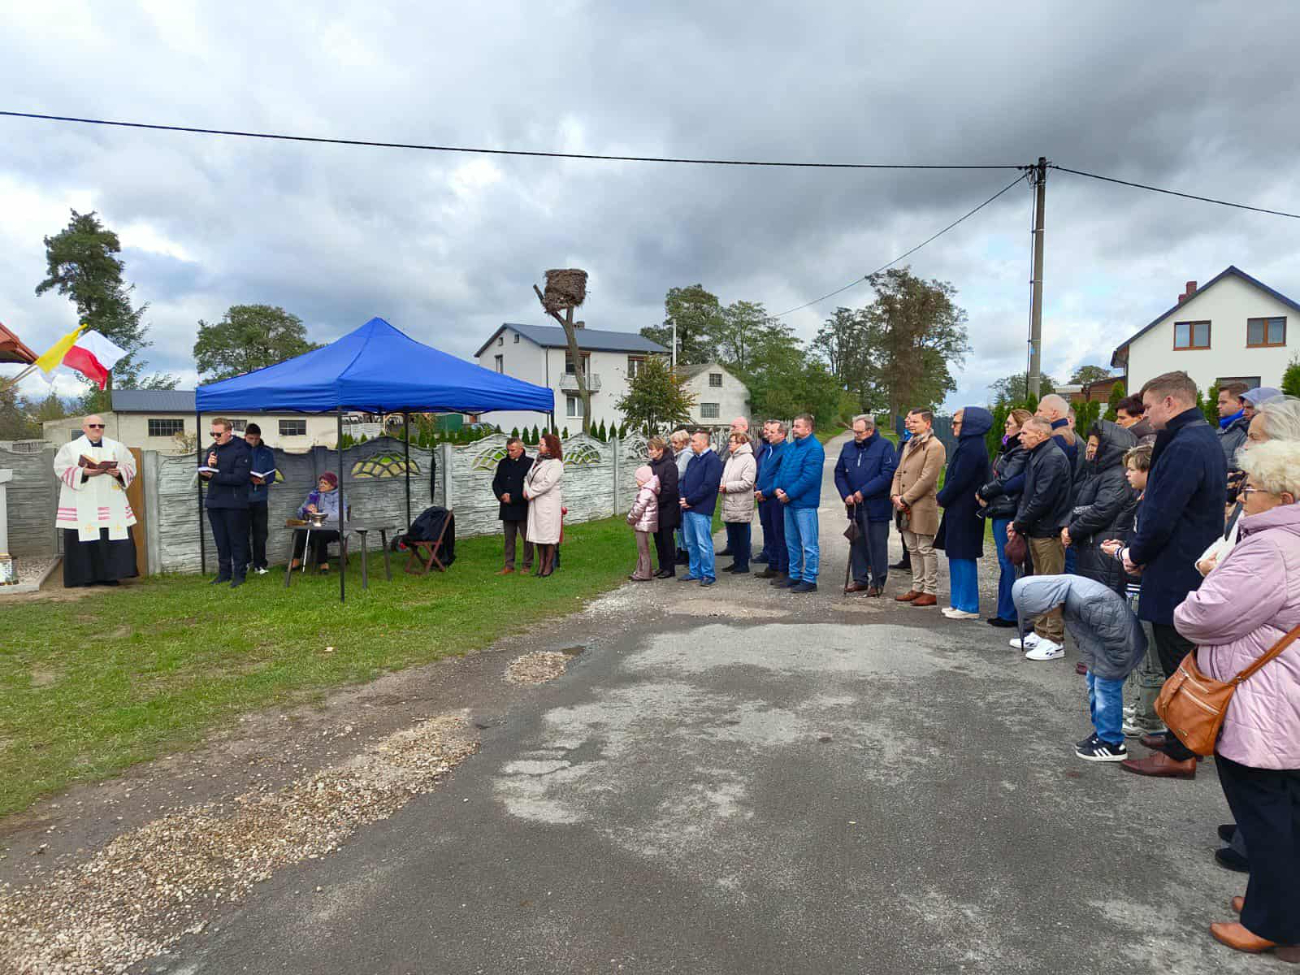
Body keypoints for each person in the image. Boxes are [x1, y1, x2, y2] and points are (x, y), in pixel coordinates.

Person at [1171, 439, 1300, 961]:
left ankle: (1275, 924)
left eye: (1254, 488)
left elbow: (1202, 616)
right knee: (1287, 809)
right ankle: (1281, 903)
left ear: (1286, 496)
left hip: (1263, 703)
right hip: (1286, 696)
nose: (1244, 496)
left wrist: (1196, 595)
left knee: (1265, 813)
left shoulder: (1272, 549)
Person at [1110, 371, 1226, 779]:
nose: (1146, 415)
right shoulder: (1198, 436)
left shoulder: (1186, 444)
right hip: (1183, 563)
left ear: (1171, 403)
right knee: (1182, 660)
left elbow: (1162, 511)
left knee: (1180, 663)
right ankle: (1182, 737)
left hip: (1176, 568)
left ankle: (1181, 752)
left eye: (1149, 406)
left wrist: (1135, 554)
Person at [1013, 572, 1148, 762]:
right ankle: (1102, 732)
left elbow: (1117, 635)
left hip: (1119, 650)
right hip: (1103, 650)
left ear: (1048, 602)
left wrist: (1110, 665)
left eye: (1041, 612)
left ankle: (1112, 743)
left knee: (1105, 690)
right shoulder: (1066, 595)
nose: (1042, 618)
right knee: (1094, 685)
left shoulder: (1087, 600)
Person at [1099, 446, 1167, 740]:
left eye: (1132, 469)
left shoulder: (1154, 503)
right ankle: (1142, 705)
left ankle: (1149, 719)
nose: (1127, 474)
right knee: (1142, 655)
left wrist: (1122, 553)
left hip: (1145, 587)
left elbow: (1146, 545)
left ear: (1148, 471)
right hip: (1137, 586)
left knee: (1151, 660)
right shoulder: (1144, 500)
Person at [1007, 417, 1073, 659]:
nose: (1020, 437)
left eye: (1025, 433)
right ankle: (1040, 630)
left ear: (1041, 435)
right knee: (1038, 583)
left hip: (1049, 530)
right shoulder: (1038, 454)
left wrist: (1020, 522)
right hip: (1035, 529)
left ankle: (1054, 640)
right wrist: (1021, 522)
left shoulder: (1053, 458)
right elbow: (1029, 494)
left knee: (1051, 585)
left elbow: (1043, 498)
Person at [53, 414, 139, 587]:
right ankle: (84, 578)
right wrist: (83, 473)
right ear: (84, 428)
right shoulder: (70, 448)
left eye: (101, 425)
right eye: (92, 425)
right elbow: (60, 468)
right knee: (83, 541)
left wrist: (119, 472)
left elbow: (131, 465)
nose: (97, 428)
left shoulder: (117, 446)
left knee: (111, 538)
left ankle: (111, 576)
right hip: (81, 500)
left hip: (110, 501)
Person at [1064, 420, 1137, 594]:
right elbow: (1085, 506)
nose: (1089, 449)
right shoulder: (1099, 472)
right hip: (1092, 547)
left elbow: (1101, 510)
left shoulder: (1117, 475)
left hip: (1104, 549)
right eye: (1089, 444)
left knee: (1101, 603)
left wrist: (1071, 530)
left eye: (1094, 445)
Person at [933, 407, 993, 618]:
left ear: (970, 424)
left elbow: (960, 478)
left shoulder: (972, 447)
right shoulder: (968, 445)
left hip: (966, 508)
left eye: (956, 422)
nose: (952, 426)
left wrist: (942, 496)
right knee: (955, 553)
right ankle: (958, 601)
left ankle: (968, 605)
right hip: (958, 508)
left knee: (964, 553)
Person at [977, 409, 1032, 627]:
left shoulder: (1020, 452)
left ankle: (1009, 613)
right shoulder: (1009, 447)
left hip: (1007, 508)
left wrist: (983, 492)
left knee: (1009, 562)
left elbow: (1006, 480)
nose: (1005, 427)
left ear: (1021, 427)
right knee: (1004, 562)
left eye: (1010, 424)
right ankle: (1005, 610)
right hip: (1000, 506)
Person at [834, 414, 896, 596]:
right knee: (857, 543)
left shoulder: (885, 446)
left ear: (870, 430)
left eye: (859, 432)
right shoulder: (847, 447)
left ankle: (877, 582)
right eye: (854, 431)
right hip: (855, 506)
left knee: (877, 544)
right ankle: (859, 579)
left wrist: (864, 492)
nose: (856, 435)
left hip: (876, 506)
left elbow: (887, 474)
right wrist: (846, 494)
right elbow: (839, 473)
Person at [890, 409, 946, 608]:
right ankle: (917, 587)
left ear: (928, 423)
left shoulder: (935, 446)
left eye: (914, 421)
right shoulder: (909, 444)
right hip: (903, 505)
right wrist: (895, 495)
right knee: (912, 548)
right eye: (908, 421)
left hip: (921, 506)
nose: (909, 424)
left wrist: (905, 498)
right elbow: (898, 472)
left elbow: (928, 479)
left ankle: (930, 591)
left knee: (925, 548)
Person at [771, 413, 825, 593]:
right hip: (787, 501)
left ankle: (810, 578)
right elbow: (781, 470)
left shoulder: (815, 448)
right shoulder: (791, 447)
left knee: (809, 543)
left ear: (808, 429)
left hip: (804, 504)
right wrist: (777, 487)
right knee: (791, 541)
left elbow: (809, 478)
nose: (793, 429)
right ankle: (794, 575)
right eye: (794, 426)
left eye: (797, 426)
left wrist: (790, 494)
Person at [200, 417, 252, 588]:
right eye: (212, 433)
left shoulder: (241, 449)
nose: (215, 437)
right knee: (220, 540)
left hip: (234, 502)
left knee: (236, 540)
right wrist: (208, 467)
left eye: (218, 434)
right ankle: (224, 573)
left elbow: (240, 477)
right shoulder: (212, 449)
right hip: (215, 501)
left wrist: (215, 473)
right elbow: (203, 473)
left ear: (229, 432)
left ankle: (239, 574)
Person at [679, 429, 723, 586]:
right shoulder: (693, 460)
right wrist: (684, 498)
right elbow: (684, 480)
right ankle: (695, 571)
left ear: (704, 442)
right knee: (691, 542)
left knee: (703, 542)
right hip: (688, 507)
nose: (692, 444)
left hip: (701, 508)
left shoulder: (712, 460)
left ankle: (708, 574)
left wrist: (690, 500)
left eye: (694, 442)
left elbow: (709, 485)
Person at [523, 434, 563, 577]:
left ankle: (548, 566)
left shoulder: (556, 464)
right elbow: (528, 477)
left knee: (549, 535)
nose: (539, 446)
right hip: (536, 503)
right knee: (538, 535)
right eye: (539, 444)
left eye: (542, 444)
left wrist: (530, 492)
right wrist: (525, 489)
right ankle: (540, 565)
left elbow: (547, 483)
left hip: (548, 504)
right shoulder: (537, 460)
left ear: (550, 447)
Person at [492, 437, 533, 575]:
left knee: (526, 537)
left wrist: (513, 498)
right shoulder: (503, 463)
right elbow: (496, 482)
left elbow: (530, 485)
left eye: (512, 450)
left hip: (522, 506)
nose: (509, 453)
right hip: (507, 507)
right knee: (509, 538)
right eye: (508, 450)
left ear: (521, 449)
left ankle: (527, 564)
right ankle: (509, 565)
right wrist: (502, 495)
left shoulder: (529, 463)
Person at [756, 420, 790, 584]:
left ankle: (783, 569)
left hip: (775, 498)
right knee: (768, 531)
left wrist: (766, 491)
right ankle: (773, 564)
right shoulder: (769, 449)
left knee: (779, 533)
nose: (768, 434)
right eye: (767, 431)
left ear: (782, 434)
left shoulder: (785, 451)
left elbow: (780, 476)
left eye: (772, 432)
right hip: (763, 498)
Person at [243, 423, 279, 576]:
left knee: (261, 533)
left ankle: (260, 564)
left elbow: (272, 474)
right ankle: (244, 562)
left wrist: (263, 481)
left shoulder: (267, 453)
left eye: (256, 439)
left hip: (260, 498)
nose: (253, 442)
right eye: (251, 438)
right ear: (245, 437)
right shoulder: (239, 451)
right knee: (242, 532)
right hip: (242, 498)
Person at [719, 431, 757, 574]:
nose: (730, 444)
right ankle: (736, 561)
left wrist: (727, 487)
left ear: (741, 443)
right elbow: (725, 476)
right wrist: (722, 484)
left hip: (740, 502)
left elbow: (748, 482)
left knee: (742, 534)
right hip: (729, 501)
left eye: (733, 442)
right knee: (733, 534)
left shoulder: (748, 459)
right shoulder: (731, 458)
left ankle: (743, 563)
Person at [291, 473, 342, 570]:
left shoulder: (338, 496)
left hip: (334, 527)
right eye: (321, 482)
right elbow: (299, 512)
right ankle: (295, 561)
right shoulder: (313, 494)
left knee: (319, 535)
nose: (321, 485)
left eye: (325, 483)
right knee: (299, 532)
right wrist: (306, 510)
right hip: (314, 526)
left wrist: (319, 513)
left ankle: (323, 563)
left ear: (332, 485)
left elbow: (338, 514)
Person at [647, 436, 680, 578]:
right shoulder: (651, 465)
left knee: (667, 538)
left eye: (652, 449)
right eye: (648, 449)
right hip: (654, 508)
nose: (650, 452)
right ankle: (661, 565)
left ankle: (670, 568)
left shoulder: (670, 465)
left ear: (660, 450)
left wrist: (657, 500)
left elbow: (670, 489)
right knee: (657, 538)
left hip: (667, 508)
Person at [626, 464, 660, 581]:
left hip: (643, 524)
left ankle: (645, 573)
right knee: (643, 548)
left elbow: (638, 509)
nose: (636, 481)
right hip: (645, 523)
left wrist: (630, 518)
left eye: (638, 479)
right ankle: (641, 571)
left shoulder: (645, 492)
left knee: (643, 549)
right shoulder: (650, 490)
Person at [1216, 382, 1251, 468]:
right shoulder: (1221, 428)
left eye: (1223, 402)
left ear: (1240, 404)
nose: (1218, 406)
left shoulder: (1247, 430)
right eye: (1219, 402)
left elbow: (1243, 463)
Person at [670, 429, 692, 565]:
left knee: (683, 523)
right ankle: (681, 549)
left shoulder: (686, 455)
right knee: (679, 523)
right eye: (672, 442)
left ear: (684, 442)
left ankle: (685, 551)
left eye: (675, 442)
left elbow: (679, 473)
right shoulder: (679, 454)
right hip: (678, 491)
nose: (673, 445)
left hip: (683, 492)